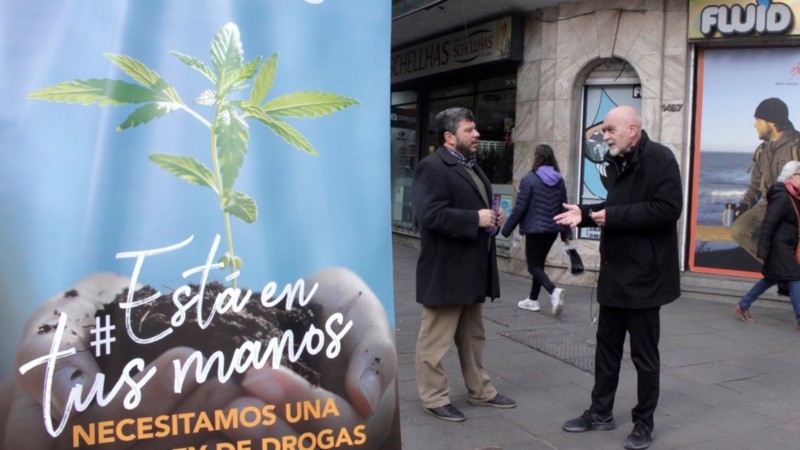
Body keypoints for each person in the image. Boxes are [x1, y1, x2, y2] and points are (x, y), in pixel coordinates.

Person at [0, 268, 399, 449]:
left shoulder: (304, 318)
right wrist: (21, 396)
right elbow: (33, 378)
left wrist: (381, 404)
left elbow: (378, 378)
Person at [555, 105, 682, 450]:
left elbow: (668, 209)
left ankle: (643, 423)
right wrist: (582, 214)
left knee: (644, 357)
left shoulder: (660, 160)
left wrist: (615, 216)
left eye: (610, 129)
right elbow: (611, 210)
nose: (605, 135)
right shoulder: (617, 161)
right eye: (604, 130)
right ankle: (600, 412)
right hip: (615, 275)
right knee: (606, 351)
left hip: (646, 278)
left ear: (633, 129)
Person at [411, 107, 516, 423]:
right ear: (449, 136)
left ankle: (480, 391)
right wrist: (474, 218)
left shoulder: (472, 167)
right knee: (435, 341)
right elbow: (426, 216)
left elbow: (476, 208)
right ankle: (434, 397)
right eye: (469, 130)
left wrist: (492, 217)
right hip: (446, 270)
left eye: (475, 129)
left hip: (472, 268)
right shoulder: (431, 168)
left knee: (473, 338)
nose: (477, 134)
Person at [500, 143, 572, 316]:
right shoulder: (559, 179)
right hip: (552, 230)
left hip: (534, 229)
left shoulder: (529, 179)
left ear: (536, 158)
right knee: (538, 265)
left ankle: (554, 291)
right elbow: (564, 207)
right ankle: (532, 300)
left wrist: (505, 230)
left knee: (533, 267)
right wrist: (566, 232)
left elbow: (520, 208)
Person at [730, 97, 800, 262]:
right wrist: (744, 205)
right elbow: (755, 185)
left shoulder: (797, 146)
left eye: (758, 121)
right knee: (739, 230)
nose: (755, 125)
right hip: (770, 206)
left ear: (772, 122)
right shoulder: (762, 150)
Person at [733, 160, 800, 332]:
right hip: (780, 246)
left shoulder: (794, 194)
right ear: (791, 177)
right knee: (795, 278)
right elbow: (768, 224)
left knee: (771, 277)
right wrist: (763, 249)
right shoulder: (782, 197)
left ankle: (743, 305)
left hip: (788, 244)